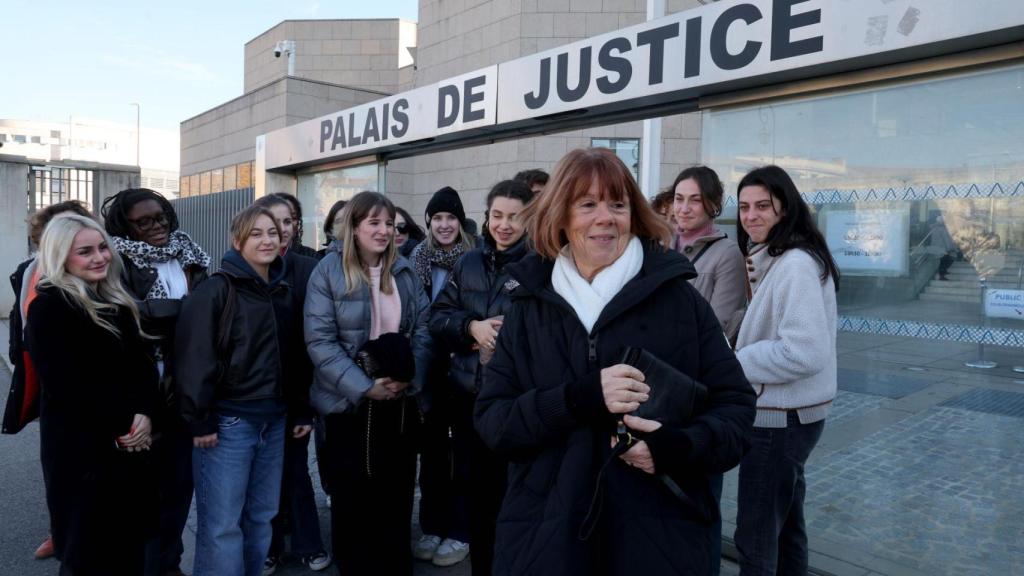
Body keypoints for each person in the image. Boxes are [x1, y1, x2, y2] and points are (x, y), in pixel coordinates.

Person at [475, 148, 756, 576]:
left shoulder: (679, 299)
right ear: (560, 216)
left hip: (660, 544)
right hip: (546, 542)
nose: (605, 217)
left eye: (618, 204)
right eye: (587, 204)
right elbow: (494, 422)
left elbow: (735, 410)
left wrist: (674, 447)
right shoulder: (529, 307)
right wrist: (579, 398)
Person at [175, 205, 313, 576]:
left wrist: (301, 409)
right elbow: (193, 357)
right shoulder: (216, 290)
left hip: (276, 421)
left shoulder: (283, 290)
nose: (267, 240)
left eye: (272, 232)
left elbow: (295, 357)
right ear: (237, 241)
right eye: (256, 233)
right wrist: (200, 420)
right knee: (222, 526)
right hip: (229, 425)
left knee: (261, 518)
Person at [304, 191, 432, 576]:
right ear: (354, 228)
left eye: (390, 224)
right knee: (353, 499)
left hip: (400, 403)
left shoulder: (405, 271)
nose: (384, 231)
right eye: (374, 223)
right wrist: (364, 386)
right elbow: (320, 341)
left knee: (395, 493)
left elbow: (424, 329)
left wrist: (408, 379)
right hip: (349, 406)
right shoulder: (327, 271)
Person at [27, 214, 159, 575]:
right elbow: (68, 388)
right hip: (82, 454)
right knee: (87, 556)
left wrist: (145, 414)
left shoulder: (117, 300)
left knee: (130, 551)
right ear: (60, 256)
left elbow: (144, 368)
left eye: (102, 247)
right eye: (85, 251)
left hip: (131, 447)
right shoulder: (49, 308)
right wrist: (125, 427)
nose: (100, 257)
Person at [732, 165, 839, 576]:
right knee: (786, 529)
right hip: (792, 416)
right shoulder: (782, 257)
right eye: (743, 207)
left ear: (785, 208)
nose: (751, 216)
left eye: (763, 205)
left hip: (780, 421)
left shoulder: (793, 264)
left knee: (756, 537)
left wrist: (735, 361)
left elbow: (804, 352)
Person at [101, 187, 210, 576]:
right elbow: (128, 325)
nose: (157, 225)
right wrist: (182, 317)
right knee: (143, 496)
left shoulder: (192, 256)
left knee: (180, 488)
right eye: (144, 221)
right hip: (144, 394)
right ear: (125, 226)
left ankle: (170, 564)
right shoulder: (113, 262)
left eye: (161, 215)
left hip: (185, 388)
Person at [429, 179, 534, 575]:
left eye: (514, 216)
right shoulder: (468, 261)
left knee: (515, 499)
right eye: (497, 216)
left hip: (516, 401)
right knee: (477, 499)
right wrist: (471, 326)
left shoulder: (542, 265)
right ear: (487, 216)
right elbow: (438, 317)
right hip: (469, 398)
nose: (504, 225)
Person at [3, 201, 98, 563]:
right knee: (58, 466)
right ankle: (60, 532)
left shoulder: (102, 272)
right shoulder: (28, 271)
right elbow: (20, 316)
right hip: (47, 383)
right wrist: (18, 356)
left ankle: (76, 536)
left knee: (91, 471)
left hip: (93, 393)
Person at [670, 166, 748, 575]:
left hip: (698, 392)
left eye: (694, 199)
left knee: (700, 497)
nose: (683, 208)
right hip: (660, 389)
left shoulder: (725, 254)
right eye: (679, 199)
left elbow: (717, 328)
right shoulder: (663, 246)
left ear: (713, 205)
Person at [253, 195, 331, 574]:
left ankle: (308, 543)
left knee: (296, 470)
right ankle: (268, 545)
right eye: (272, 223)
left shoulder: (309, 267)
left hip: (298, 389)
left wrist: (305, 403)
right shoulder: (247, 268)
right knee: (264, 476)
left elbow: (312, 340)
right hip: (256, 395)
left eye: (287, 222)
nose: (281, 230)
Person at [410, 186, 476, 567]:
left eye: (451, 217)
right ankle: (433, 525)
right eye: (437, 218)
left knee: (464, 455)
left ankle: (461, 530)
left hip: (465, 367)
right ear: (429, 223)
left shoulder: (475, 259)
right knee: (432, 454)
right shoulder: (416, 258)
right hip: (429, 370)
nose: (445, 224)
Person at [272, 192, 320, 259]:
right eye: (276, 220)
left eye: (291, 218)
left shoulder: (312, 257)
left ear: (298, 222)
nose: (283, 229)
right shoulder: (258, 258)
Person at [929, 215, 957, 281]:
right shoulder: (942, 228)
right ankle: (941, 275)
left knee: (943, 261)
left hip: (936, 247)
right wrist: (951, 248)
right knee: (950, 259)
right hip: (942, 248)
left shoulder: (934, 228)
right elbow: (946, 239)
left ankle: (942, 272)